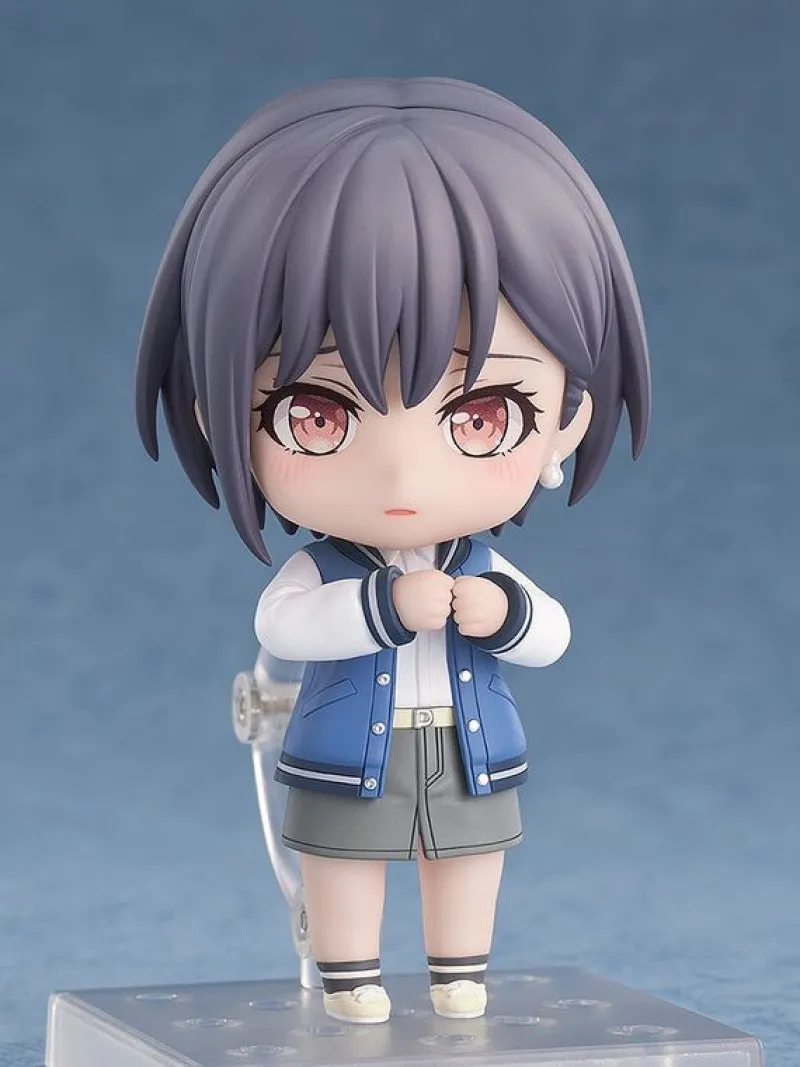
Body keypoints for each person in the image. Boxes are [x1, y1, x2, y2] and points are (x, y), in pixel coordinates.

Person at [135, 76, 650, 1025]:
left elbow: (552, 636)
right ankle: (350, 977)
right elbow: (283, 624)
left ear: (566, 420)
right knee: (343, 860)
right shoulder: (325, 570)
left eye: (481, 414)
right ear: (220, 416)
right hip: (345, 753)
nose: (402, 472)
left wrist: (505, 613)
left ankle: (460, 973)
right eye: (319, 414)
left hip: (470, 750)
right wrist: (378, 609)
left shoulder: (481, 567)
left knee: (469, 858)